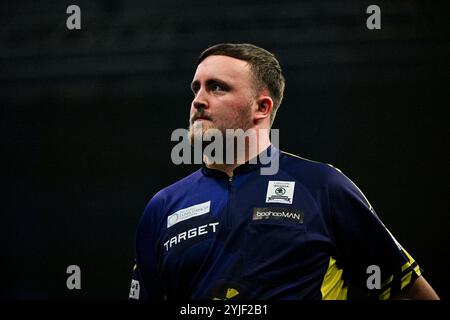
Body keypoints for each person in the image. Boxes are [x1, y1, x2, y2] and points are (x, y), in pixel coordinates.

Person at [128, 43, 439, 300]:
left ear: (261, 108)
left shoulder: (322, 187)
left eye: (217, 88)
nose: (198, 101)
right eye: (196, 88)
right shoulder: (163, 207)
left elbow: (410, 292)